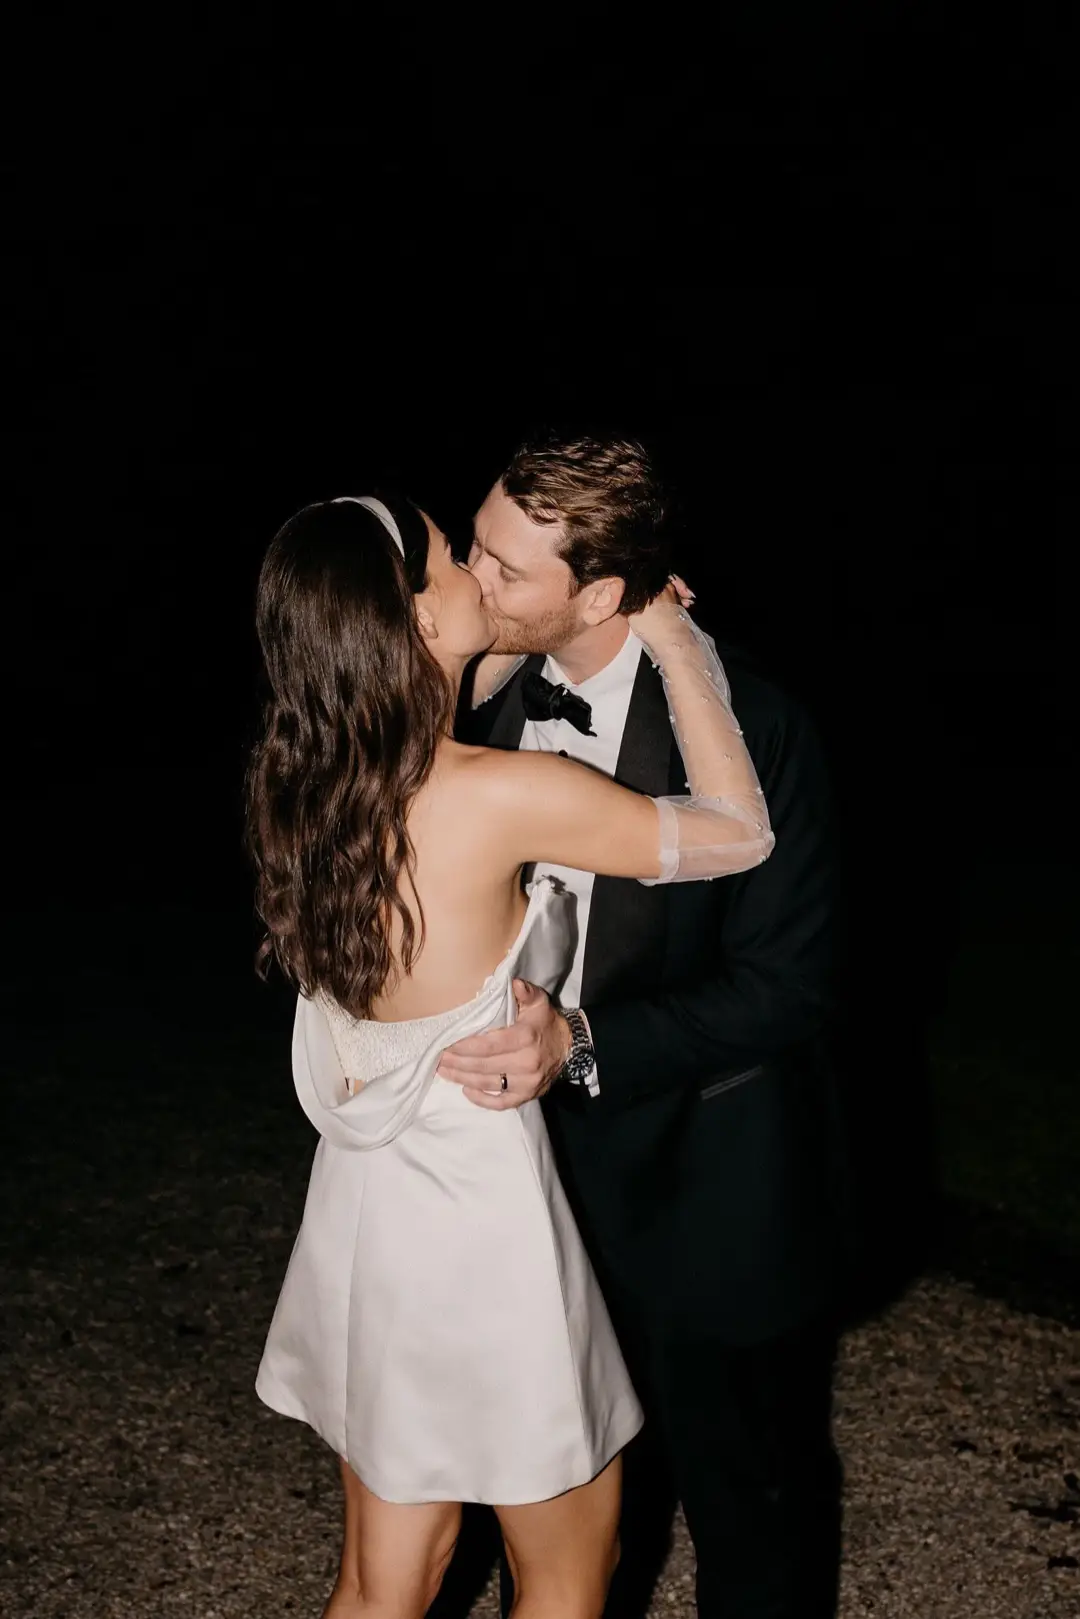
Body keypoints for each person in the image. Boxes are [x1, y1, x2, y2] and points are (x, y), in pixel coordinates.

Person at [245, 491, 774, 1619]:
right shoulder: (502, 796)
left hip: (369, 1213)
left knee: (385, 1576)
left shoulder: (308, 782)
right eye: (450, 561)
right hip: (483, 1232)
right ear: (414, 625)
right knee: (570, 1568)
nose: (476, 571)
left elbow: (432, 683)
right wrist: (673, 636)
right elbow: (739, 831)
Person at [437, 431, 845, 1619]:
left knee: (745, 1502)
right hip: (516, 1189)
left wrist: (583, 1045)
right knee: (543, 1506)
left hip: (707, 1184)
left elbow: (789, 984)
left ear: (600, 593)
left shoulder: (755, 728)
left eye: (505, 567)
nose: (472, 578)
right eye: (472, 545)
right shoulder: (472, 696)